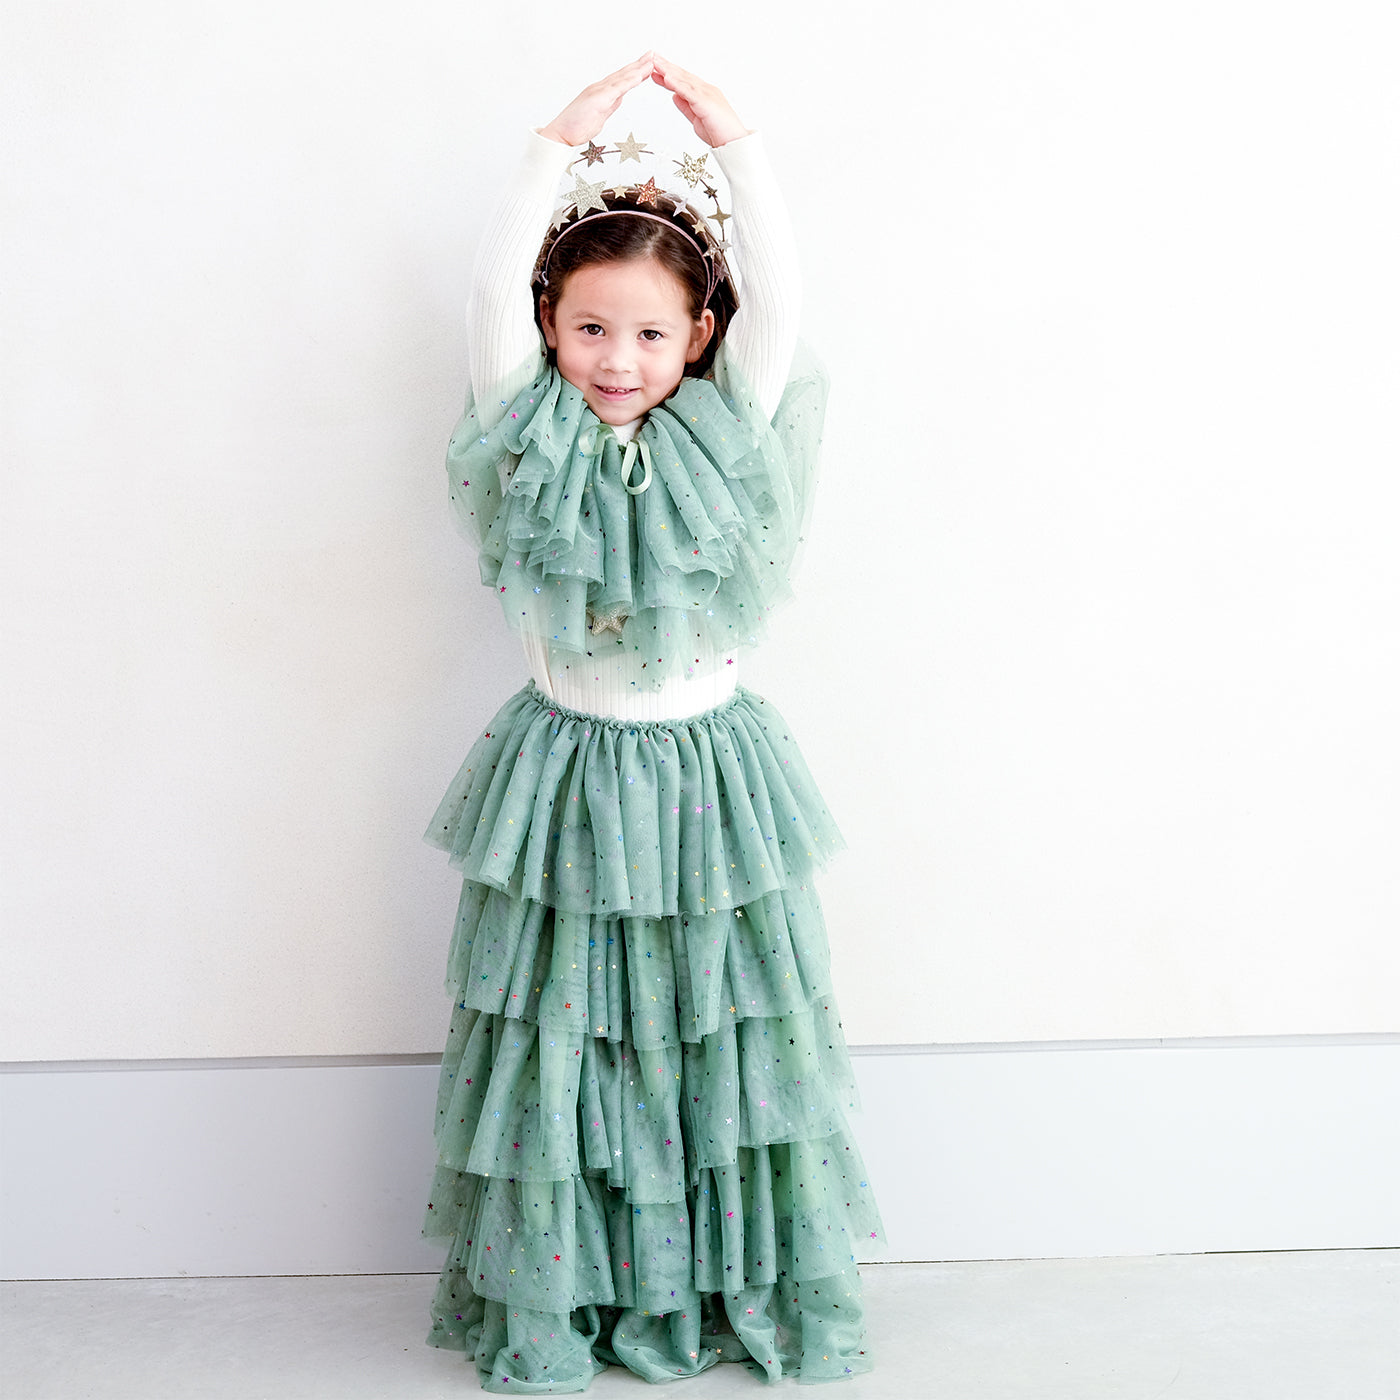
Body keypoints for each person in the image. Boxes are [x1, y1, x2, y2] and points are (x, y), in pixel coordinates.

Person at [423, 54, 881, 1393]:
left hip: (711, 778)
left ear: (699, 338)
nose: (617, 360)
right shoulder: (524, 431)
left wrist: (735, 142)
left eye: (650, 335)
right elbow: (487, 299)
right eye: (589, 329)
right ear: (551, 326)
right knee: (565, 1039)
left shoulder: (733, 430)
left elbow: (780, 297)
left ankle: (718, 1288)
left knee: (717, 1032)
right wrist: (552, 148)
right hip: (565, 773)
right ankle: (574, 1295)